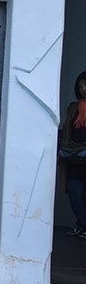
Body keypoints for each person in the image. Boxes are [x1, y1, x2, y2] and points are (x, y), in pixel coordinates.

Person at [60, 71, 86, 239]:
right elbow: (67, 129)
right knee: (75, 193)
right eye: (80, 85)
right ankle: (83, 225)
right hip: (74, 157)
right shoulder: (73, 107)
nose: (84, 88)